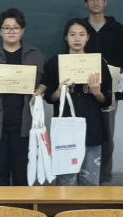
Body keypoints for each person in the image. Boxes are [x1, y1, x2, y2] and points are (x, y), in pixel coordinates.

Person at [0, 8, 44, 186]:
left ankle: (21, 206)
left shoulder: (34, 54)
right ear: (0, 31)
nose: (11, 31)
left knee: (22, 176)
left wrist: (40, 90)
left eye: (16, 28)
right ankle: (0, 206)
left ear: (22, 30)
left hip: (24, 127)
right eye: (7, 28)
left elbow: (45, 81)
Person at [42, 18, 112, 186]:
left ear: (88, 37)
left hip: (92, 129)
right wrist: (59, 90)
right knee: (66, 184)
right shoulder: (55, 63)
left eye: (82, 34)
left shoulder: (98, 63)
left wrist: (97, 92)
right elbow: (49, 98)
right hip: (65, 130)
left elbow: (107, 101)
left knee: (90, 184)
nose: (77, 39)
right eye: (72, 34)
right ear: (66, 37)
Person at [84, 0, 123, 186]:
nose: (96, 2)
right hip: (83, 90)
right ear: (86, 4)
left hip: (109, 89)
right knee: (84, 132)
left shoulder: (118, 29)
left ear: (105, 2)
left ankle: (105, 179)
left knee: (107, 136)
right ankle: (84, 177)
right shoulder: (79, 28)